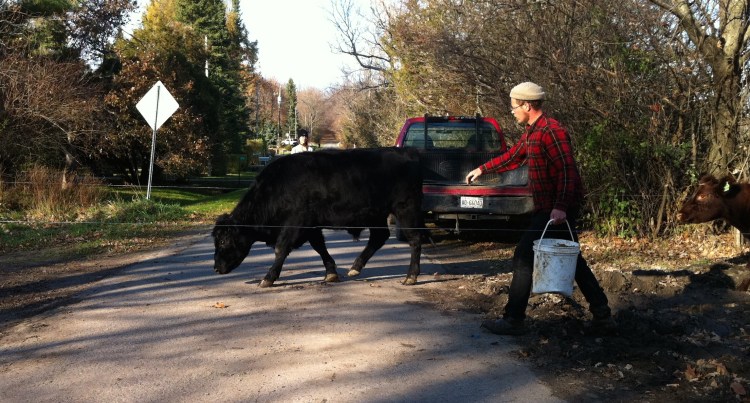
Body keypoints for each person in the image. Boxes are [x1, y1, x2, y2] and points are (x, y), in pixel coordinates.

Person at [465, 82, 615, 335]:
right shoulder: (532, 132)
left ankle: (513, 319)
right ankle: (603, 316)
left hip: (555, 209)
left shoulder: (552, 131)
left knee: (523, 255)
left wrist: (560, 207)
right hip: (549, 208)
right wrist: (483, 169)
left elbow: (568, 172)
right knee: (575, 261)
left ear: (526, 104)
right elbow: (514, 156)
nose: (511, 111)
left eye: (513, 106)